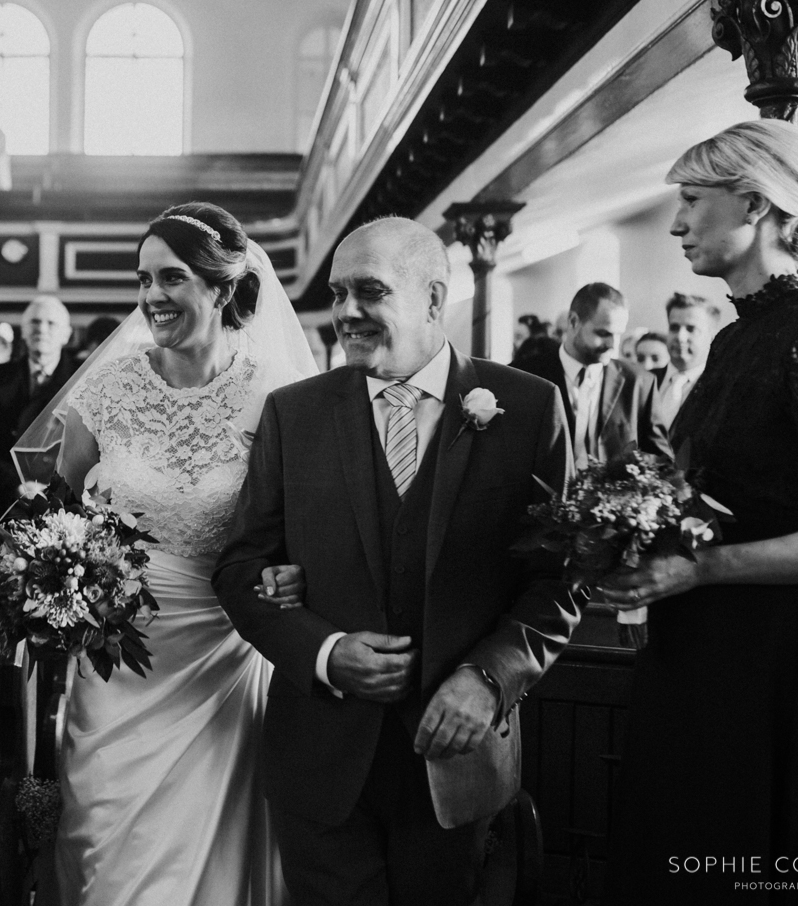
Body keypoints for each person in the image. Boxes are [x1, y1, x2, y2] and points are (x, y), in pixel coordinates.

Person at [213, 216, 584, 905]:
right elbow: (239, 569)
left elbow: (559, 583)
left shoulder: (528, 409)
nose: (347, 312)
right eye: (338, 292)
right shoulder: (293, 414)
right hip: (321, 757)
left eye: (370, 291)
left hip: (456, 751)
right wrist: (324, 650)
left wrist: (487, 678)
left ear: (436, 300)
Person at [601, 120, 798, 905]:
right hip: (721, 653)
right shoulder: (741, 338)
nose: (676, 223)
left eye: (693, 200)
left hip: (785, 663)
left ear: (759, 205)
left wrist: (701, 567)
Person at [43, 202, 315, 906]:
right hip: (116, 660)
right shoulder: (103, 392)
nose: (151, 297)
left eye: (171, 278)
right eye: (143, 280)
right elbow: (55, 515)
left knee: (215, 850)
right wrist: (54, 577)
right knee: (113, 852)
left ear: (223, 289)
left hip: (224, 656)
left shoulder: (275, 397)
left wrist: (292, 574)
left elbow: (305, 529)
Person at [511, 282, 668, 467]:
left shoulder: (639, 382)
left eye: (618, 335)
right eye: (603, 333)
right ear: (573, 322)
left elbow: (661, 462)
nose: (613, 345)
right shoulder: (523, 376)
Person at [0, 297, 77, 521]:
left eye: (51, 323)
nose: (41, 329)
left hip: (67, 506)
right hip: (5, 502)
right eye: (34, 322)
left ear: (66, 334)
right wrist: (17, 485)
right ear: (23, 331)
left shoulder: (83, 378)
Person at [649, 292, 720, 431]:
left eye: (691, 329)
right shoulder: (645, 381)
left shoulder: (719, 388)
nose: (680, 337)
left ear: (711, 336)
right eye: (674, 328)